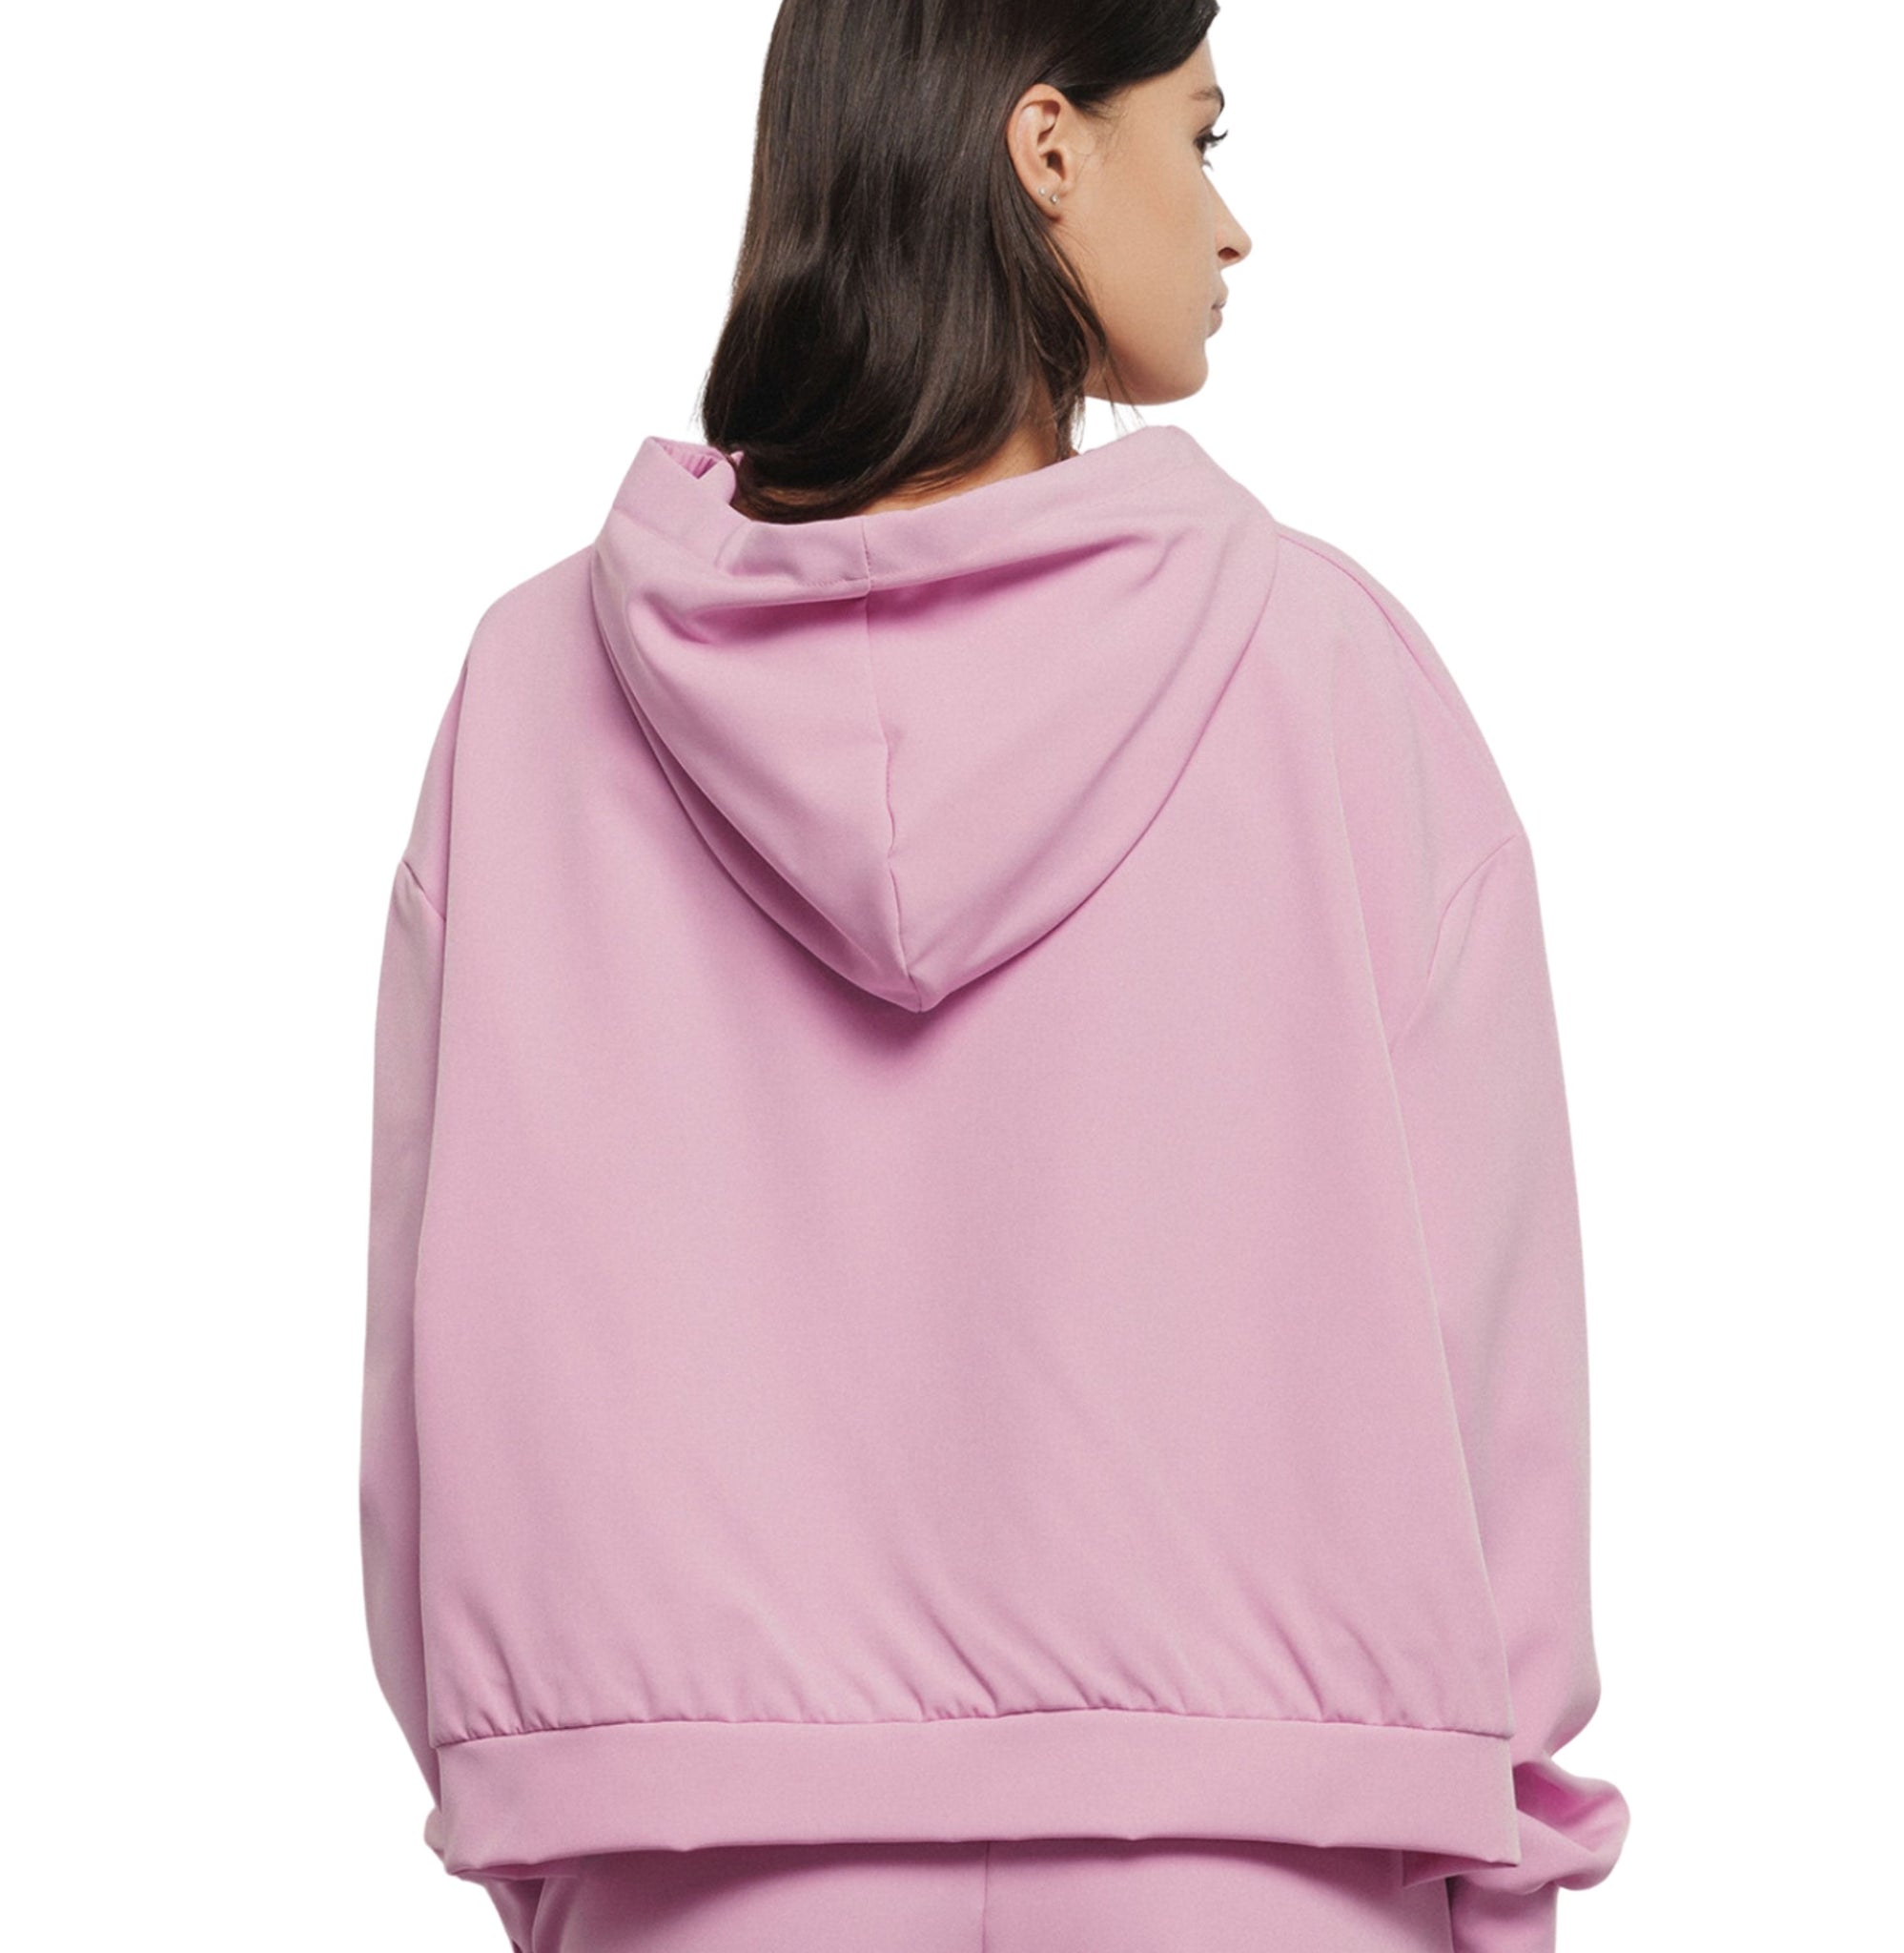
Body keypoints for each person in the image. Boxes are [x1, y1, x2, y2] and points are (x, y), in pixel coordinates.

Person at [358, 2, 1631, 1949]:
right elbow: (1497, 1346)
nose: (1231, 223)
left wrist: (569, 1822)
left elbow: (432, 1374)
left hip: (702, 1886)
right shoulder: (1328, 675)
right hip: (1274, 1876)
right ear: (1046, 147)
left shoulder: (536, 697)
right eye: (1200, 136)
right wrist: (1492, 1857)